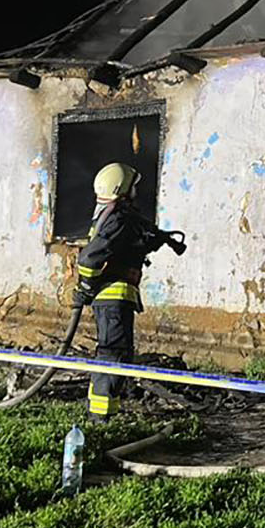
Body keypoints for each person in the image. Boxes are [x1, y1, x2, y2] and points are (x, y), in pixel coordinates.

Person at [73, 163, 185, 419]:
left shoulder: (113, 215)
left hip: (115, 300)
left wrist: (152, 241)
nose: (136, 191)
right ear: (122, 188)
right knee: (112, 356)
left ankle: (102, 415)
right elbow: (89, 259)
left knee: (113, 355)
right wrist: (86, 287)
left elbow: (124, 248)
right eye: (133, 186)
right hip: (114, 298)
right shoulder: (118, 218)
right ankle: (101, 420)